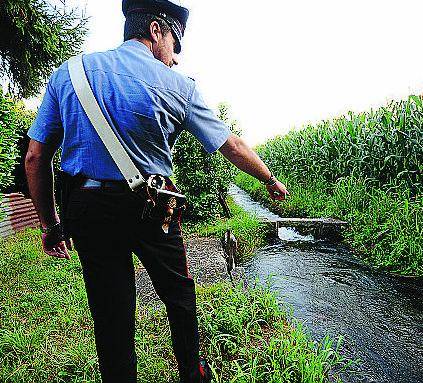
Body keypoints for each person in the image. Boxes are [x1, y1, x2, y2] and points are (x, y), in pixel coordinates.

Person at [25, 1, 289, 382]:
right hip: (153, 207)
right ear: (155, 31)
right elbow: (230, 145)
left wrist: (51, 226)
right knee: (179, 295)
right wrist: (269, 179)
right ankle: (192, 375)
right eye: (175, 45)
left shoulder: (69, 74)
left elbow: (36, 157)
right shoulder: (178, 86)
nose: (177, 59)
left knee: (111, 310)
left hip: (86, 208)